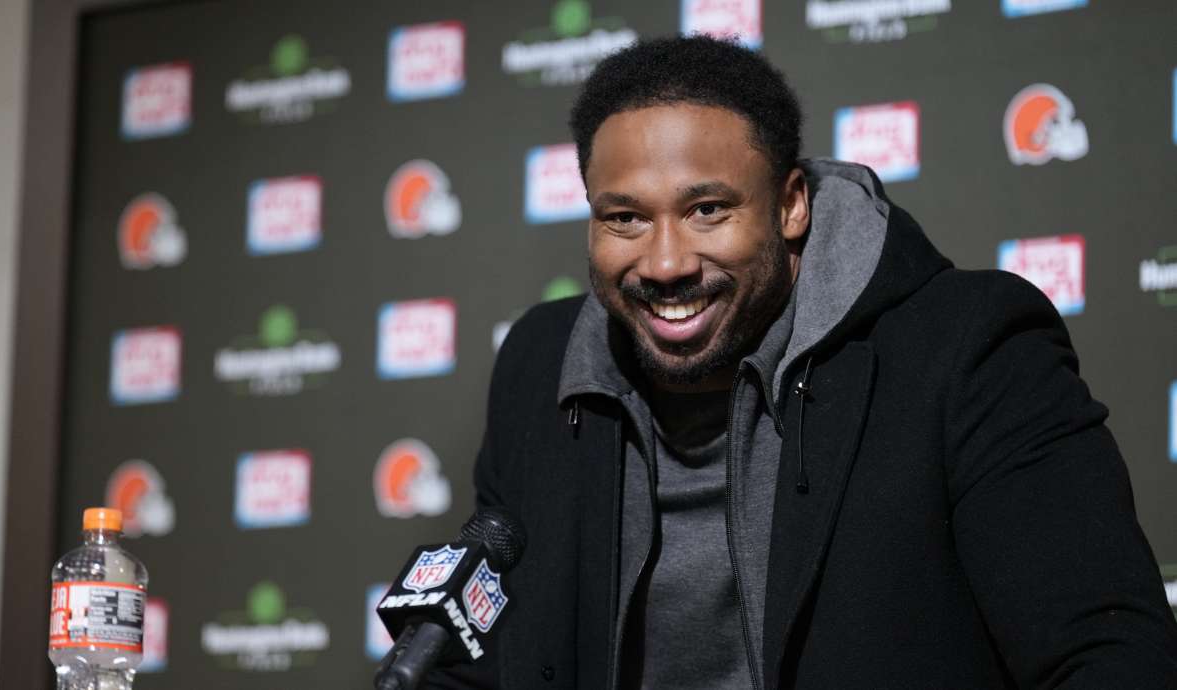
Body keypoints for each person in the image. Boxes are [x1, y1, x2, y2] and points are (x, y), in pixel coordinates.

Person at [430, 36, 1177, 689]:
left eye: (707, 210)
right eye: (624, 217)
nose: (663, 261)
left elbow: (1108, 653)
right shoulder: (540, 363)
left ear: (790, 205)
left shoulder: (965, 346)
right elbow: (479, 662)